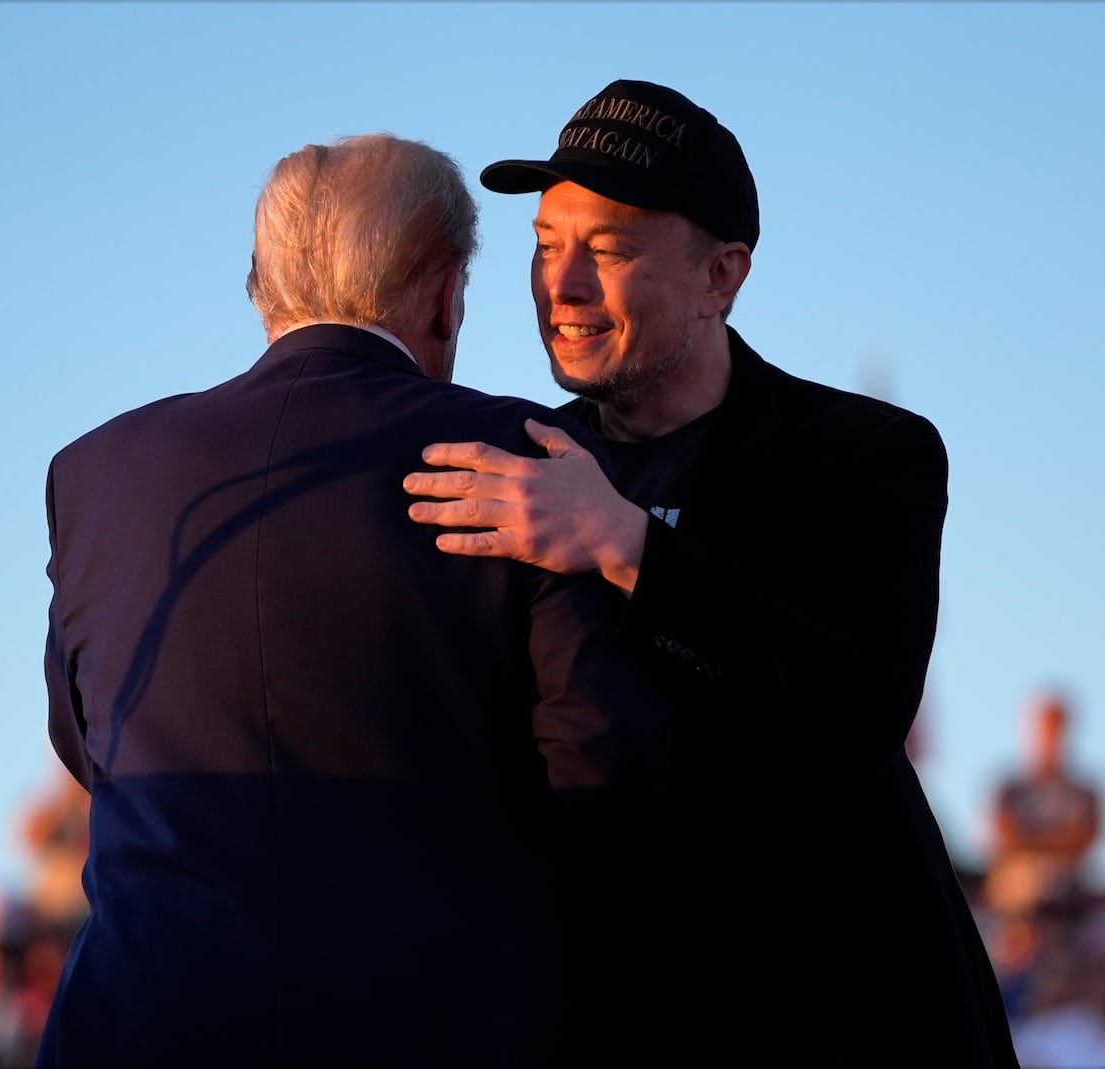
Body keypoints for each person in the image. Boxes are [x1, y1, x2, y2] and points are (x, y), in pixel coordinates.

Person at [401, 78, 1019, 1065]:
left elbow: (859, 711)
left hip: (836, 1018)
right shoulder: (514, 465)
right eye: (543, 243)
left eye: (603, 249)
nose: (559, 286)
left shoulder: (865, 453)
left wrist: (627, 546)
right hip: (607, 1017)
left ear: (720, 276)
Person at [35, 132, 671, 1068]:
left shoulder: (96, 472)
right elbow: (601, 766)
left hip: (140, 1022)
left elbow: (87, 741)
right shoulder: (524, 458)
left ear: (262, 289)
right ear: (447, 291)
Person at [985, 690, 1105, 922]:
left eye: (1058, 727)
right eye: (1046, 726)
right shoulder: (1009, 789)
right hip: (1015, 901)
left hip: (1070, 896)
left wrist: (1034, 839)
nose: (1052, 735)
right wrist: (1059, 842)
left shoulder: (1086, 792)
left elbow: (1088, 839)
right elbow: (1006, 838)